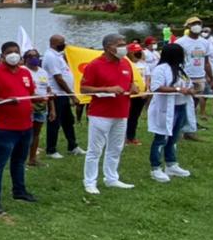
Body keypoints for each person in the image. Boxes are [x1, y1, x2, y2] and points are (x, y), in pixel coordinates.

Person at [0, 41, 37, 213]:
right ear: (3, 55)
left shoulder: (25, 72)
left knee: (19, 161)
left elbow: (30, 94)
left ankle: (19, 191)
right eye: (9, 52)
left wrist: (37, 101)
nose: (13, 54)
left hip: (25, 126)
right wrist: (5, 101)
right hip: (4, 129)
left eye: (16, 51)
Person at [80, 34, 135, 195]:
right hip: (101, 113)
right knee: (95, 149)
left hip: (121, 111)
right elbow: (84, 88)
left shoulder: (126, 63)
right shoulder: (95, 65)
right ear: (108, 47)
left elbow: (130, 82)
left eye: (124, 44)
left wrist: (133, 87)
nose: (124, 47)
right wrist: (106, 89)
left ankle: (111, 178)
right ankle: (90, 181)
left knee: (116, 147)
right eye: (120, 44)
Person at [147, 43, 195, 183]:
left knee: (174, 137)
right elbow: (156, 87)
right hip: (166, 109)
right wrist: (179, 90)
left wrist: (191, 89)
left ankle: (171, 164)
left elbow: (187, 84)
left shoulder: (180, 69)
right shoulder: (161, 69)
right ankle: (155, 168)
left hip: (180, 106)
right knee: (161, 138)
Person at [43, 35, 82, 158]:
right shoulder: (50, 56)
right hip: (57, 94)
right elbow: (58, 78)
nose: (64, 44)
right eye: (62, 42)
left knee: (68, 121)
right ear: (54, 43)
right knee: (54, 122)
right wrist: (72, 95)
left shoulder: (58, 55)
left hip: (63, 94)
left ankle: (72, 146)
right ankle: (51, 149)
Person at [177, 18, 213, 139]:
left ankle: (190, 128)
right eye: (193, 24)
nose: (197, 26)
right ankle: (180, 128)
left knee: (195, 103)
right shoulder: (180, 42)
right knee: (183, 102)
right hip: (185, 77)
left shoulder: (205, 42)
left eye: (199, 23)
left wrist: (211, 77)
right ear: (188, 26)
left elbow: (206, 62)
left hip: (200, 76)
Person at [24, 48, 54, 166]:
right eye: (30, 56)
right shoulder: (23, 71)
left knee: (36, 133)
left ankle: (32, 159)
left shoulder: (43, 72)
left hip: (42, 106)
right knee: (25, 133)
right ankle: (21, 159)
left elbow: (48, 90)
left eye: (36, 56)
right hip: (28, 105)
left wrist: (52, 109)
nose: (34, 58)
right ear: (25, 59)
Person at [125, 43, 150, 145]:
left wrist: (146, 89)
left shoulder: (143, 64)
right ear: (130, 53)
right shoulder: (126, 63)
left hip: (141, 95)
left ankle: (131, 137)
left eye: (139, 51)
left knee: (135, 116)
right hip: (129, 94)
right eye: (136, 51)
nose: (138, 53)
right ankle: (122, 137)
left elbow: (147, 77)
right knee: (126, 116)